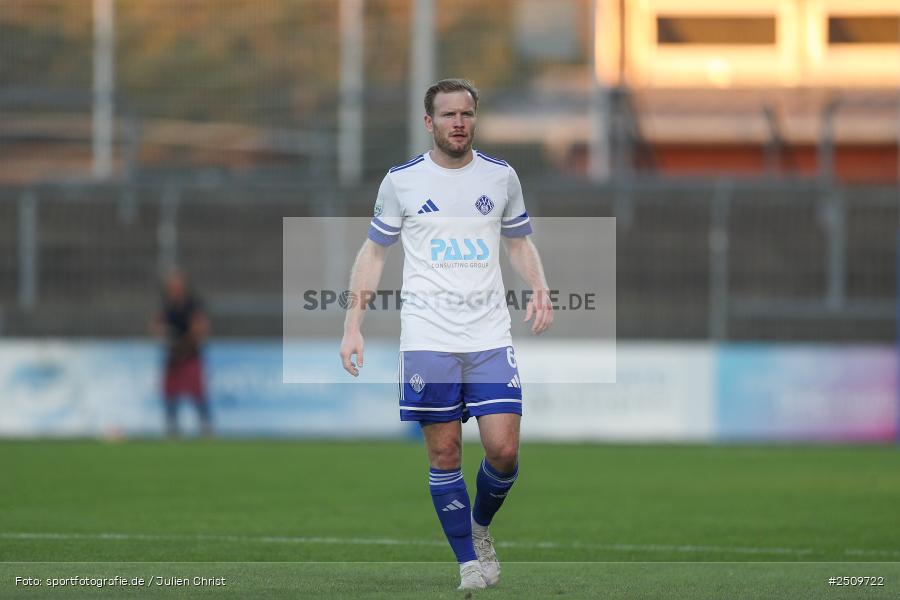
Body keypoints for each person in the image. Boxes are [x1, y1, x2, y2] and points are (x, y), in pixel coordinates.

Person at [340, 79, 553, 590]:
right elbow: (373, 254)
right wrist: (353, 324)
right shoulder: (401, 181)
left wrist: (540, 287)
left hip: (488, 335)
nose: (458, 122)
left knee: (503, 451)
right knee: (446, 452)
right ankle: (467, 562)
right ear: (429, 122)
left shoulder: (501, 177)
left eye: (466, 114)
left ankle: (479, 527)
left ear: (474, 119)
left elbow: (519, 242)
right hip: (428, 338)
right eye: (448, 115)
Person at [152, 268, 212, 438]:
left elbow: (200, 328)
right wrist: (163, 333)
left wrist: (184, 344)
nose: (173, 290)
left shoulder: (192, 304)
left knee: (198, 393)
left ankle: (206, 427)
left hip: (190, 354)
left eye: (175, 286)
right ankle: (172, 428)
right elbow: (156, 325)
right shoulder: (167, 305)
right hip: (173, 357)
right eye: (170, 287)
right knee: (170, 393)